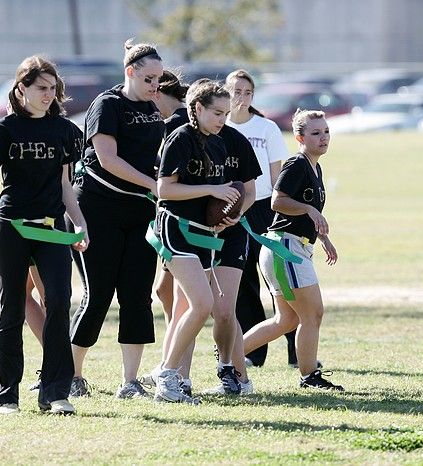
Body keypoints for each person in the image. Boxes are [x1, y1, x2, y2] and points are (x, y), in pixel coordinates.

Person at [0, 55, 89, 415]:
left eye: (53, 89)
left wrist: (80, 223)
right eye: (41, 88)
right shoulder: (4, 129)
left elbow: (66, 186)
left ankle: (55, 392)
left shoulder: (65, 130)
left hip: (52, 230)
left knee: (58, 300)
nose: (49, 95)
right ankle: (8, 395)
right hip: (11, 228)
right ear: (21, 88)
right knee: (11, 309)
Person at [144, 76, 260, 397]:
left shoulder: (221, 141)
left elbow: (233, 194)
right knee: (201, 303)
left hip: (205, 233)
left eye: (226, 113)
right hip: (176, 228)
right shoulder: (180, 138)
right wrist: (211, 189)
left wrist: (227, 213)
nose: (224, 120)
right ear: (197, 108)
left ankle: (174, 377)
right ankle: (168, 375)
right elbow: (164, 189)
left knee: (197, 305)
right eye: (217, 113)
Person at [69, 40, 165, 399]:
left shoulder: (154, 110)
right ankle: (73, 376)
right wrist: (153, 184)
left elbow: (151, 157)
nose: (155, 86)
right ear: (130, 72)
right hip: (98, 209)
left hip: (139, 212)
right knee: (98, 295)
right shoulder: (106, 105)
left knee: (137, 296)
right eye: (149, 79)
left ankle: (130, 381)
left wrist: (164, 180)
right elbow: (107, 159)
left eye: (158, 79)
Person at [243, 109, 344, 391]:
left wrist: (323, 238)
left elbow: (303, 214)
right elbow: (277, 201)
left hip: (290, 248)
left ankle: (230, 357)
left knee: (285, 320)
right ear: (299, 137)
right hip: (285, 249)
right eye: (315, 133)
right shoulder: (296, 164)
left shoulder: (314, 166)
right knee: (312, 314)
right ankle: (309, 376)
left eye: (326, 132)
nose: (323, 138)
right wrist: (310, 209)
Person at [224, 69, 296, 367]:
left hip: (265, 208)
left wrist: (280, 213)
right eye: (236, 91)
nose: (242, 97)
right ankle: (254, 353)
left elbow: (278, 174)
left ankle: (297, 351)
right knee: (243, 283)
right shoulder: (219, 126)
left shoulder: (266, 128)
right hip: (232, 210)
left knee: (282, 280)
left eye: (247, 92)